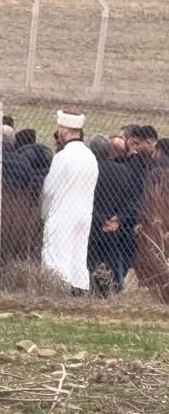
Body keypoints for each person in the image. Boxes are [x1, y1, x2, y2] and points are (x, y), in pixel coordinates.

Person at [41, 110, 99, 294]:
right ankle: (80, 292)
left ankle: (57, 293)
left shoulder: (62, 157)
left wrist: (44, 213)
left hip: (62, 213)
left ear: (65, 131)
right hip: (83, 215)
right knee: (78, 256)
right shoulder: (91, 157)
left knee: (57, 256)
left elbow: (49, 189)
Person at [88, 135, 138, 296]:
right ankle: (112, 292)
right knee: (111, 263)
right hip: (115, 229)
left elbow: (83, 200)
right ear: (109, 151)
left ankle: (90, 291)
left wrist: (100, 219)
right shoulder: (123, 171)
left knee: (90, 263)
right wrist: (118, 219)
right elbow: (133, 201)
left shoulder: (89, 171)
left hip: (92, 225)